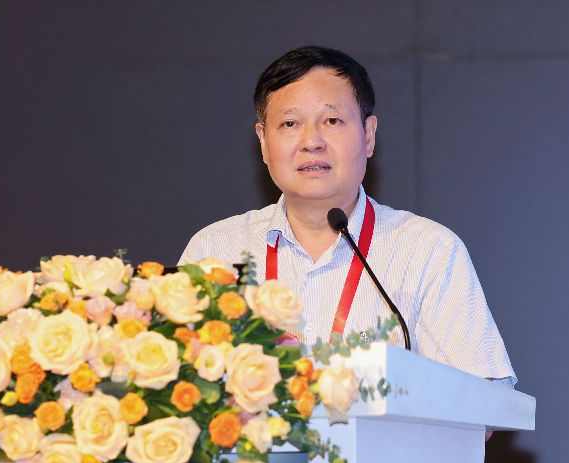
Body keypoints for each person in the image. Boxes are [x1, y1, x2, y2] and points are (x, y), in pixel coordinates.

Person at [180, 46, 516, 387]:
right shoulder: (214, 252)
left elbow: (484, 399)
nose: (311, 141)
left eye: (332, 121)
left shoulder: (427, 251)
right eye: (290, 123)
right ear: (264, 143)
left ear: (368, 135)